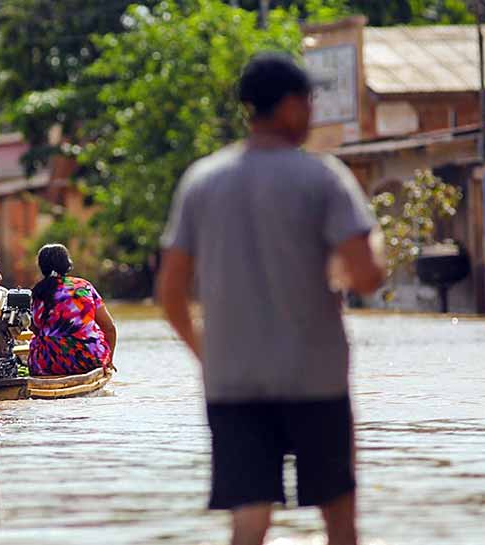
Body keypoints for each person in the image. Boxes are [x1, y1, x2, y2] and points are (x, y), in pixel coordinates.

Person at [156, 53, 386, 545]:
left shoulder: (202, 181)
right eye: (306, 101)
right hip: (316, 380)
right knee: (339, 521)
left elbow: (169, 294)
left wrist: (208, 356)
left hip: (233, 383)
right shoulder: (323, 178)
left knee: (250, 521)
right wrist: (373, 248)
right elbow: (368, 277)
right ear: (287, 107)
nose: (310, 112)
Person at [28, 244, 117, 376]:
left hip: (47, 363)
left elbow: (35, 328)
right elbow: (109, 328)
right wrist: (109, 360)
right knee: (96, 331)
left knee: (40, 339)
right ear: (67, 264)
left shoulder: (37, 292)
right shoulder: (84, 286)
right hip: (88, 359)